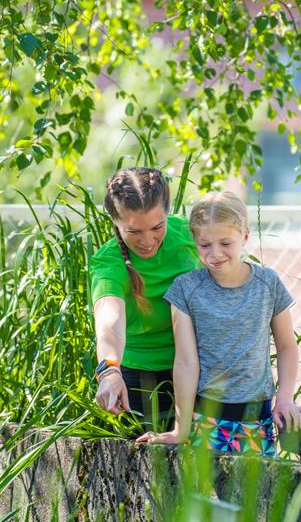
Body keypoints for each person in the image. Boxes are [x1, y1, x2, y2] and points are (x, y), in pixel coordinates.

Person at [136, 191, 301, 456]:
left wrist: (284, 397)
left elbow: (286, 347)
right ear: (195, 241)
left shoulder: (268, 284)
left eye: (226, 243)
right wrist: (181, 429)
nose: (215, 254)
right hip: (206, 418)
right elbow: (186, 362)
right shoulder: (186, 289)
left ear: (245, 236)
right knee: (203, 494)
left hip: (256, 420)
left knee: (254, 495)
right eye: (205, 245)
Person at [89, 167, 198, 428]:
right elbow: (109, 321)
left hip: (200, 370)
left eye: (157, 227)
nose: (148, 241)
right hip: (140, 381)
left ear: (168, 213)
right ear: (115, 220)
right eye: (134, 232)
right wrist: (109, 370)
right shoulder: (109, 262)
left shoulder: (191, 235)